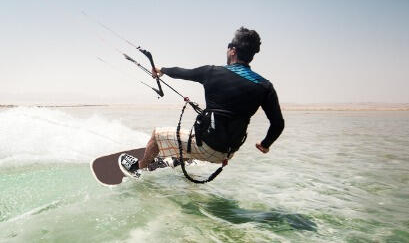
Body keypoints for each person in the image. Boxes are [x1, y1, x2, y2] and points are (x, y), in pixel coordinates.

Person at [120, 27, 285, 177]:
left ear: (233, 51)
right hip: (228, 153)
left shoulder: (212, 72)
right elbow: (278, 124)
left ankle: (138, 168)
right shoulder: (264, 86)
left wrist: (161, 70)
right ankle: (177, 159)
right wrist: (265, 144)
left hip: (206, 147)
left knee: (157, 134)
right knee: (195, 133)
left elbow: (183, 73)